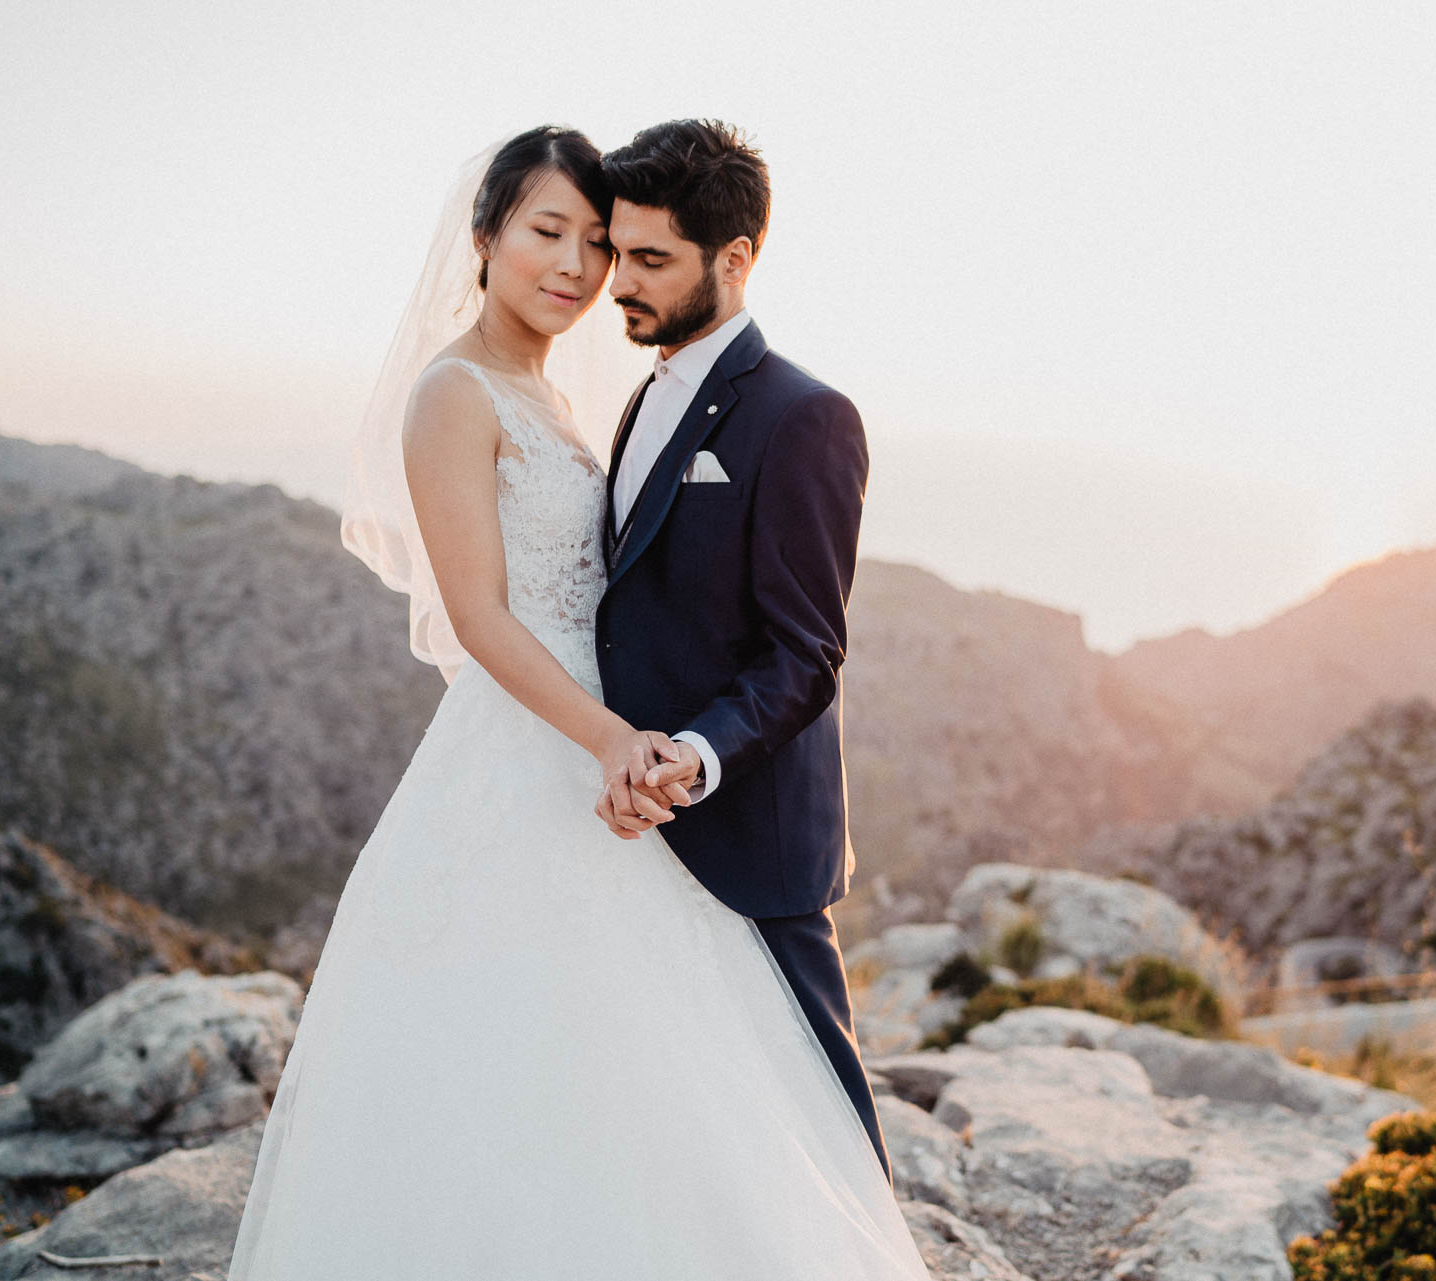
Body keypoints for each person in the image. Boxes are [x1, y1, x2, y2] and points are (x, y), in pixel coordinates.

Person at [224, 124, 931, 1280]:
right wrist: (613, 740)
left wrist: (656, 753)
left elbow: (797, 645)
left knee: (687, 1062)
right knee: (525, 1049)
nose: (585, 271)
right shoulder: (453, 394)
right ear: (486, 236)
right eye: (552, 234)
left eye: (606, 246)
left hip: (651, 775)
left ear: (730, 259)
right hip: (546, 752)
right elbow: (479, 613)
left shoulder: (584, 396)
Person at [588, 117, 892, 1180]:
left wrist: (697, 755)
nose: (618, 281)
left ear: (735, 259)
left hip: (751, 833)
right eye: (618, 251)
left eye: (651, 261)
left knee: (822, 1124)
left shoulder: (805, 416)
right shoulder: (645, 391)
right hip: (635, 823)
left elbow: (807, 652)